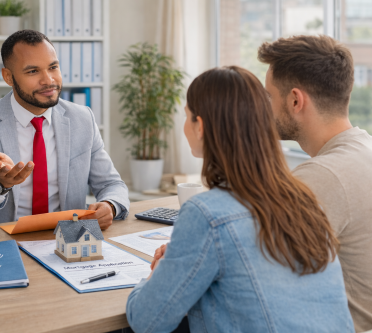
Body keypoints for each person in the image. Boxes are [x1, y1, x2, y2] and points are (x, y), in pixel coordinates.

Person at [125, 67, 354, 333]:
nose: (185, 126)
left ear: (201, 127)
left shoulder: (206, 214)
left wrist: (159, 272)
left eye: (187, 117)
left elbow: (147, 320)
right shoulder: (306, 200)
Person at [0, 30, 129, 230]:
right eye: (33, 71)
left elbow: (112, 185)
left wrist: (110, 205)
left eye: (53, 67)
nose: (48, 80)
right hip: (0, 244)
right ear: (8, 77)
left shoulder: (82, 119)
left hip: (65, 240)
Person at [258, 35, 372, 332]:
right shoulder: (364, 149)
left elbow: (254, 272)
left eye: (269, 97)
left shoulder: (321, 176)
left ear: (295, 100)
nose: (264, 108)